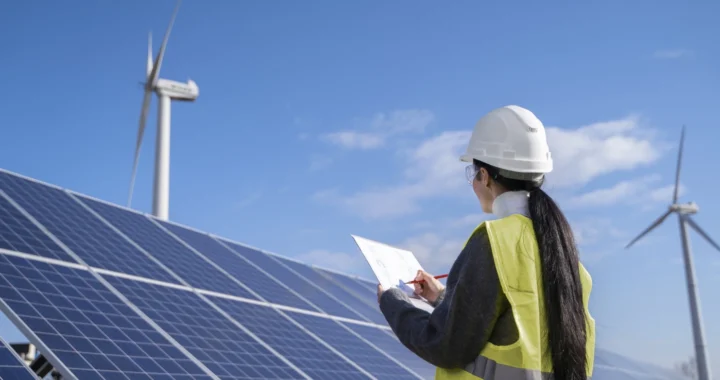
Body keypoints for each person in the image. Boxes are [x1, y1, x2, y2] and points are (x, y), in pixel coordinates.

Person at [376, 105, 596, 380]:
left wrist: (392, 301)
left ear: (485, 176)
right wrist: (443, 298)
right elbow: (511, 328)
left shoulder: (494, 242)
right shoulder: (565, 257)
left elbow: (445, 345)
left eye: (473, 174)